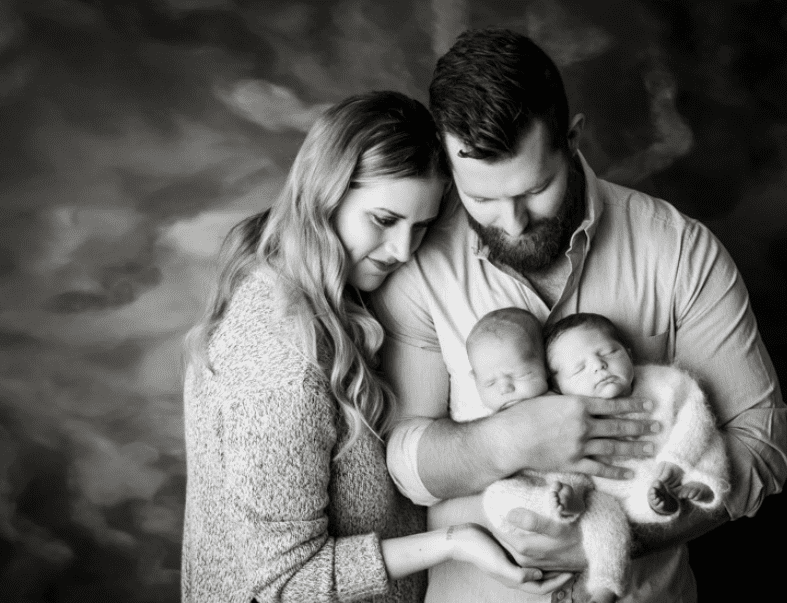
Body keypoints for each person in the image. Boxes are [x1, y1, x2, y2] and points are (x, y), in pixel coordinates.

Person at [373, 28, 787, 603]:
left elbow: (759, 444)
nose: (512, 222)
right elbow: (403, 463)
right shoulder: (418, 265)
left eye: (535, 189)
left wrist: (618, 539)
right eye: (482, 199)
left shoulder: (679, 250)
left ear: (572, 139)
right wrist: (503, 443)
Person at [181, 91, 551, 603]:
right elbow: (283, 584)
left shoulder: (312, 292)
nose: (402, 250)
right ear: (325, 194)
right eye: (383, 220)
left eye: (420, 227)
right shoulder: (283, 364)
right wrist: (450, 543)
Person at [468, 309, 730, 603]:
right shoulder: (521, 413)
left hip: (616, 486)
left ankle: (608, 581)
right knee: (497, 496)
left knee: (613, 507)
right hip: (554, 493)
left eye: (608, 351)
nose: (599, 366)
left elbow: (694, 413)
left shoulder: (653, 385)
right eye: (579, 368)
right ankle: (555, 501)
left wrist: (674, 459)